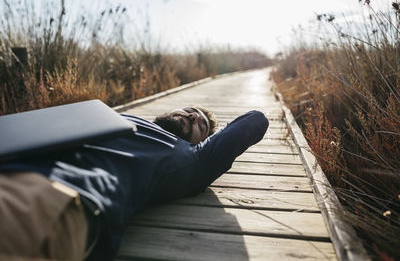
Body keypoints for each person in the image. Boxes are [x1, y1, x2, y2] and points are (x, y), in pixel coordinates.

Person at [0, 106, 269, 261]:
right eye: (189, 110)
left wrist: (209, 139)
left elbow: (255, 120)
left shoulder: (191, 158)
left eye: (200, 124)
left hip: (50, 193)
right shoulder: (114, 116)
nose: (193, 116)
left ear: (202, 142)